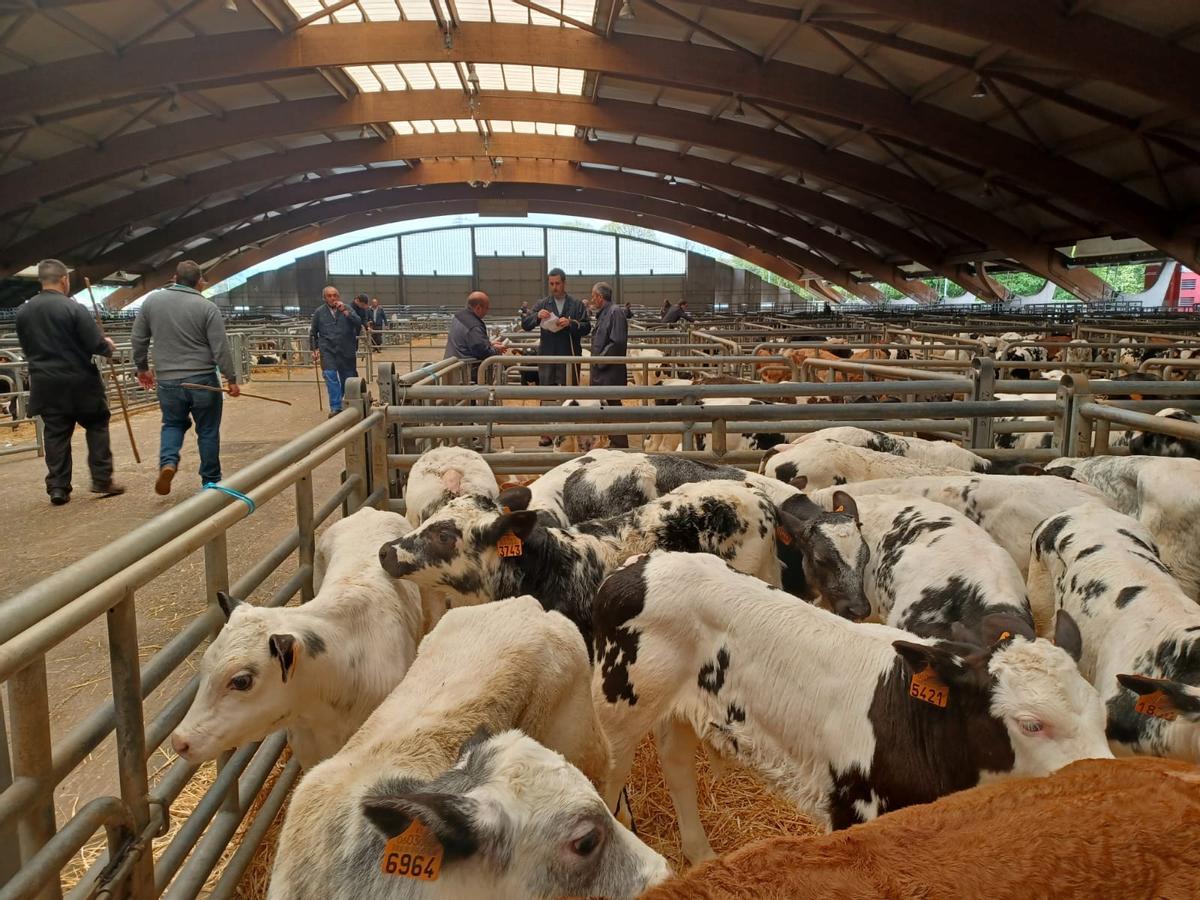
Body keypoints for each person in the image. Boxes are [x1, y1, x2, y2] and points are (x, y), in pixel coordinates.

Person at [15, 259, 125, 505]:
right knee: (97, 424)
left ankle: (58, 487)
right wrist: (107, 345)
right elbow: (94, 344)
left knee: (55, 434)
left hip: (45, 382)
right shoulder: (74, 308)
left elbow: (26, 346)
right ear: (64, 279)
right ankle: (101, 479)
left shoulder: (24, 311)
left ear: (41, 280)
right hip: (79, 381)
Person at [133, 260, 241, 495]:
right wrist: (231, 378)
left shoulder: (152, 301)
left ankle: (168, 462)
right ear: (199, 282)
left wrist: (142, 368)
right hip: (202, 379)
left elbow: (138, 338)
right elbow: (220, 347)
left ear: (174, 278)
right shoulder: (206, 307)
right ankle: (210, 481)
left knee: (172, 423)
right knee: (208, 430)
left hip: (168, 381)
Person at [520, 268, 591, 446]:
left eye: (557, 283)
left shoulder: (576, 304)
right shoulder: (543, 304)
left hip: (570, 354)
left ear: (564, 283)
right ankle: (547, 433)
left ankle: (569, 433)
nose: (554, 287)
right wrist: (537, 316)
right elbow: (525, 324)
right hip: (548, 355)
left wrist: (571, 323)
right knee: (547, 393)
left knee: (570, 393)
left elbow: (587, 327)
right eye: (551, 284)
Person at [310, 285, 362, 414]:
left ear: (338, 297)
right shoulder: (319, 312)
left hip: (346, 349)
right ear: (324, 298)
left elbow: (358, 323)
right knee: (331, 376)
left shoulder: (347, 308)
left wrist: (346, 312)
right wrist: (314, 348)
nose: (333, 298)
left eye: (335, 295)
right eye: (329, 296)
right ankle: (336, 408)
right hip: (328, 351)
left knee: (348, 379)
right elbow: (313, 332)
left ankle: (348, 403)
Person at [589, 281, 629, 449]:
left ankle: (619, 445)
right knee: (607, 407)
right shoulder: (606, 313)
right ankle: (612, 442)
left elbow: (617, 342)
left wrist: (600, 361)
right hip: (603, 372)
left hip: (610, 372)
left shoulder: (615, 312)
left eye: (593, 296)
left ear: (600, 297)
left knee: (613, 407)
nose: (592, 300)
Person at [444, 291, 505, 383]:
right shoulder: (474, 326)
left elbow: (466, 341)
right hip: (466, 374)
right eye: (486, 308)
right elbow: (481, 351)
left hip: (452, 367)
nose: (487, 311)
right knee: (470, 396)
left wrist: (489, 343)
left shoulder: (459, 316)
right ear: (478, 308)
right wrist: (496, 350)